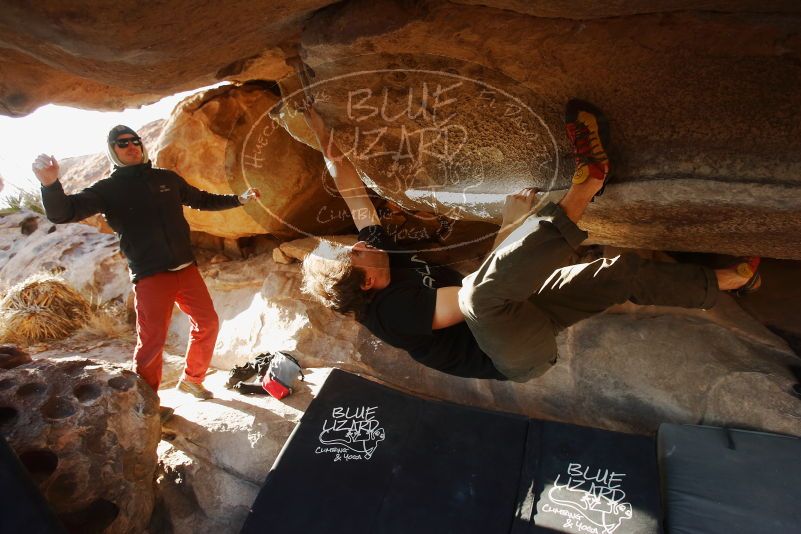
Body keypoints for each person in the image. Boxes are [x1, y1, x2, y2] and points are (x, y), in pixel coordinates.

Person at [298, 99, 761, 382]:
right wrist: (511, 223)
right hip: (511, 354)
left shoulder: (376, 258)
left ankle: (733, 281)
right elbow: (476, 296)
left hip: (519, 316)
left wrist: (321, 135)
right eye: (352, 252)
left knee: (617, 274)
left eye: (352, 244)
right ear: (366, 283)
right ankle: (588, 183)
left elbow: (353, 194)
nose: (358, 243)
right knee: (481, 295)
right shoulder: (390, 313)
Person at [32, 125, 261, 403]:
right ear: (112, 150)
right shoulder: (107, 190)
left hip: (185, 268)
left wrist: (239, 199)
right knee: (152, 343)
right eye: (122, 143)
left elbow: (201, 199)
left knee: (208, 323)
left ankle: (192, 381)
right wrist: (50, 184)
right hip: (151, 276)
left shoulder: (166, 178)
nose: (132, 146)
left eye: (135, 141)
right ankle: (148, 404)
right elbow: (64, 212)